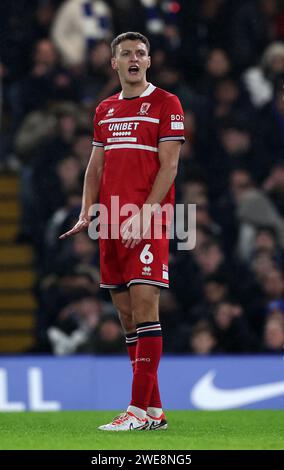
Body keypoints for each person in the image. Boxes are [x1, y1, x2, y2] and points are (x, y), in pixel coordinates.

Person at [60, 31, 185, 431]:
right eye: (126, 54)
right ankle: (154, 412)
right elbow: (95, 166)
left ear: (149, 61)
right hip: (111, 223)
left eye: (141, 53)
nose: (134, 58)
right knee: (128, 317)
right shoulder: (105, 110)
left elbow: (169, 167)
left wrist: (146, 214)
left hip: (147, 219)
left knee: (146, 308)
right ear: (114, 63)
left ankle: (133, 410)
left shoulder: (166, 103)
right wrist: (86, 211)